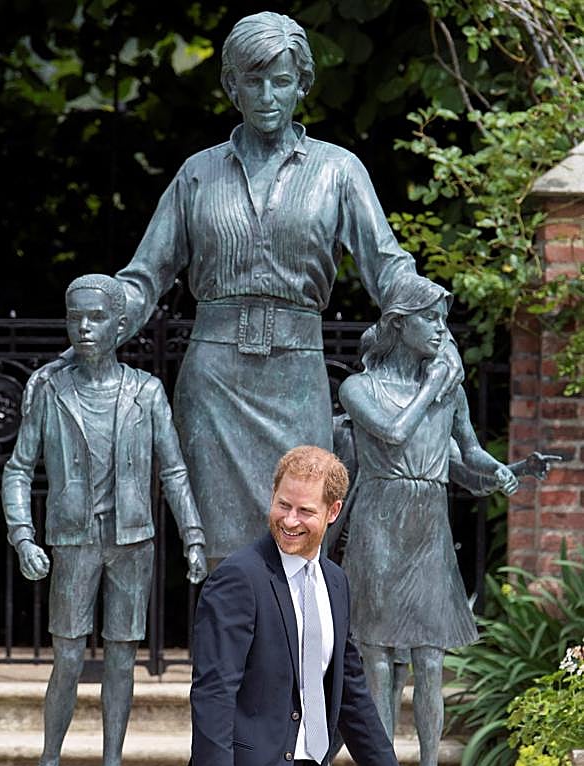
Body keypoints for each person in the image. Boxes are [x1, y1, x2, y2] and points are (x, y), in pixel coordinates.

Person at [25, 11, 461, 569]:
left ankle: (288, 660)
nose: (267, 95)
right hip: (214, 381)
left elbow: (388, 268)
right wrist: (96, 329)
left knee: (297, 531)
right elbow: (143, 279)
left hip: (298, 374)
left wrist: (432, 318)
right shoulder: (198, 175)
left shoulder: (338, 171)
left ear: (302, 83)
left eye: (281, 81)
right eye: (252, 81)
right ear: (232, 85)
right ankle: (224, 659)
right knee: (221, 552)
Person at [175, 446, 424, 766]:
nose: (289, 520)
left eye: (304, 511)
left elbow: (350, 693)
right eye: (282, 505)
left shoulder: (334, 583)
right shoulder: (238, 578)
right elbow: (212, 693)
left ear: (333, 512)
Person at [2, 274, 207, 766]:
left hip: (132, 541)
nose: (85, 328)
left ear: (120, 325)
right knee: (68, 657)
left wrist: (193, 537)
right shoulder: (50, 389)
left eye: (96, 318)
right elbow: (19, 469)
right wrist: (23, 536)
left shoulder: (146, 391)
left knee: (122, 660)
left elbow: (175, 470)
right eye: (76, 318)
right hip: (73, 540)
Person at [338, 273, 519, 766]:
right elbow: (393, 433)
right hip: (379, 521)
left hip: (428, 525)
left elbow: (466, 457)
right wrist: (435, 382)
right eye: (430, 319)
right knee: (377, 661)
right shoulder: (359, 388)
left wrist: (500, 473)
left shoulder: (448, 390)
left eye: (444, 320)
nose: (441, 331)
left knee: (430, 659)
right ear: (399, 324)